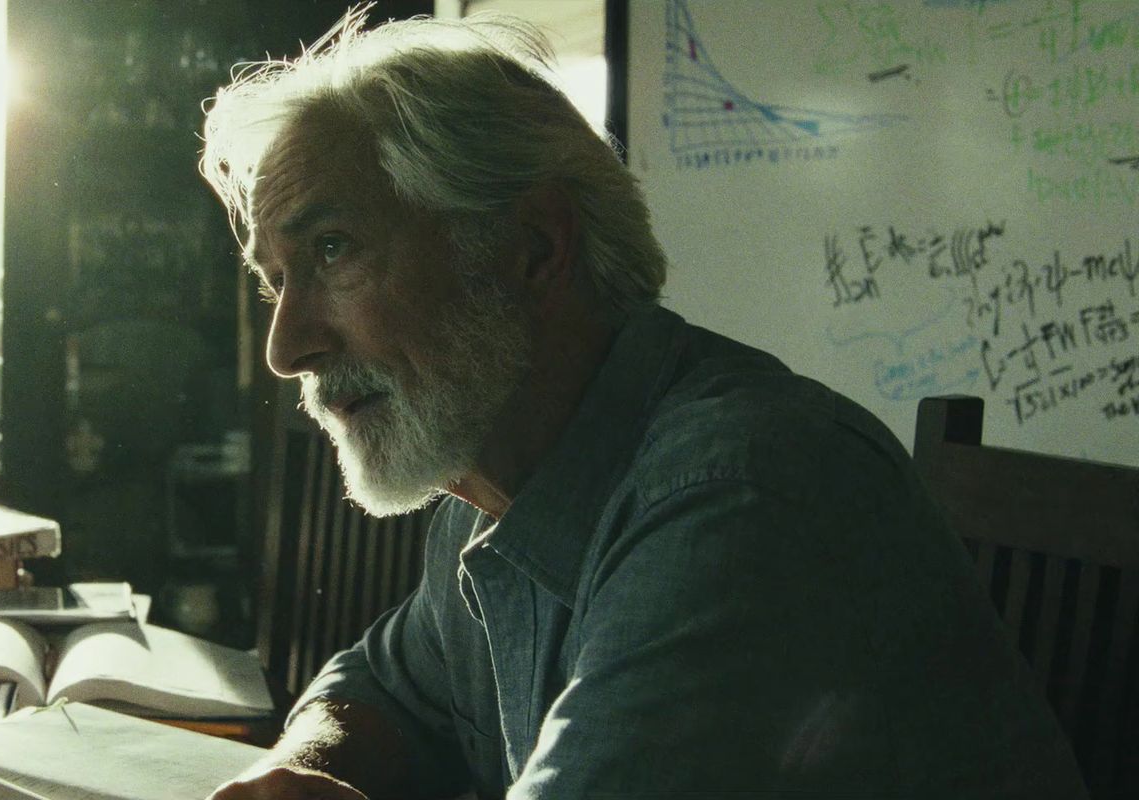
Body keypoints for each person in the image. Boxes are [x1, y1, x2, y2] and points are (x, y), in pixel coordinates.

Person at [198, 8, 1086, 799]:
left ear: (533, 246)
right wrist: (305, 768)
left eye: (332, 249)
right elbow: (383, 685)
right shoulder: (492, 478)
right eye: (278, 281)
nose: (286, 348)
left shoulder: (739, 496)